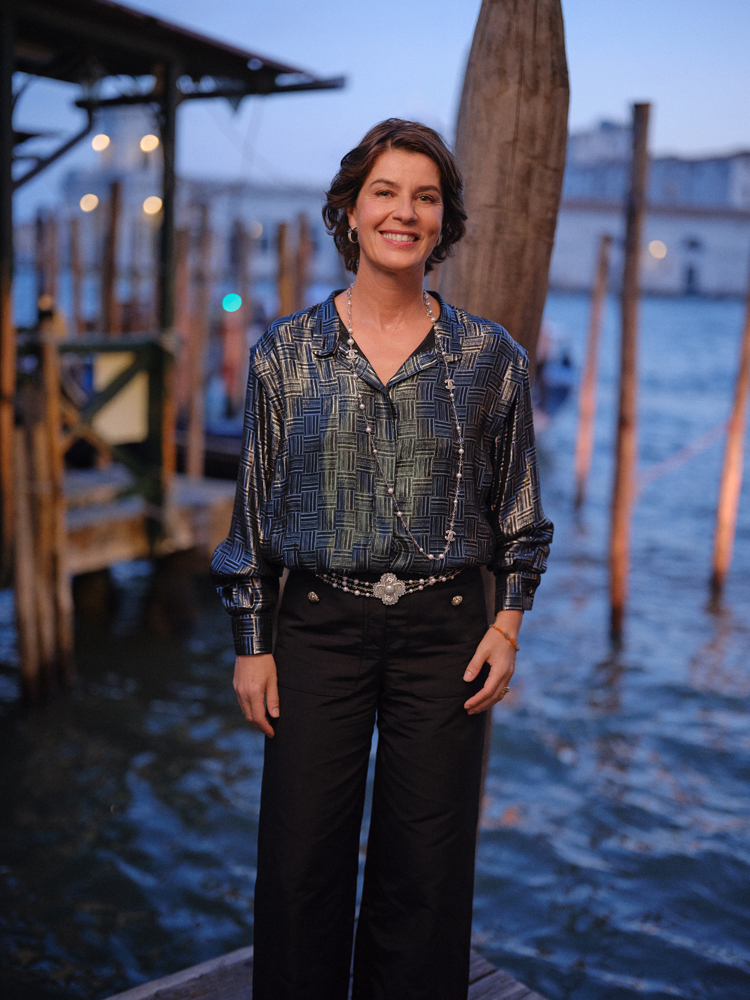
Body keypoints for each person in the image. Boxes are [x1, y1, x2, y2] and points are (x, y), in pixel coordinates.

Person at [211, 118, 553, 1000]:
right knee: (299, 861)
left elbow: (519, 515)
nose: (406, 212)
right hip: (316, 627)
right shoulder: (285, 355)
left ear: (444, 222)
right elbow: (250, 516)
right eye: (387, 193)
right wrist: (253, 642)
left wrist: (507, 626)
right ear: (351, 212)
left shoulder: (492, 359)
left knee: (427, 871)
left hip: (448, 633)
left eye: (426, 197)